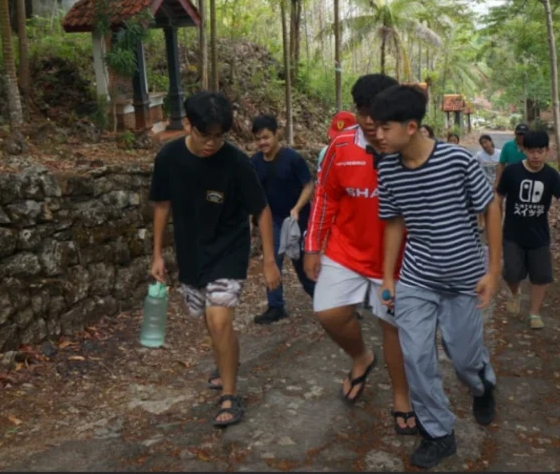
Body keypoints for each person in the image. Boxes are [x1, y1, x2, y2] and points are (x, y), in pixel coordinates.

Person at [373, 85, 501, 469]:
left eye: (385, 127)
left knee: (464, 359)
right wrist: (388, 277)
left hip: (464, 279)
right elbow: (394, 222)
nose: (378, 135)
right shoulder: (387, 169)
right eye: (375, 127)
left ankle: (482, 383)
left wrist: (493, 270)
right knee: (415, 356)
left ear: (411, 127)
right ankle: (438, 433)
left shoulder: (457, 161)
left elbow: (491, 208)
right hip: (417, 278)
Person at [149, 91, 280, 429]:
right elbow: (162, 205)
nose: (212, 143)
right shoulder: (169, 158)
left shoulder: (236, 163)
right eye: (205, 135)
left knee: (220, 320)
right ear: (187, 125)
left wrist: (269, 260)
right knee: (210, 322)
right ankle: (224, 362)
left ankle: (230, 395)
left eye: (219, 136)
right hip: (191, 252)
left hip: (228, 250)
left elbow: (262, 210)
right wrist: (157, 254)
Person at [304, 74, 418, 436]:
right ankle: (361, 357)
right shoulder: (340, 147)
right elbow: (325, 197)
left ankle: (402, 396)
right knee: (329, 312)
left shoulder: (409, 147)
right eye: (362, 111)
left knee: (393, 328)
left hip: (397, 261)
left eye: (376, 113)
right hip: (346, 251)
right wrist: (312, 245)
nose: (369, 121)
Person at [495, 129, 560, 329]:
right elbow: (499, 197)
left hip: (539, 236)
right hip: (512, 234)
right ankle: (515, 292)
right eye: (531, 151)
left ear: (547, 151)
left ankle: (534, 313)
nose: (536, 156)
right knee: (512, 273)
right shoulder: (512, 172)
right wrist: (495, 221)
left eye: (540, 151)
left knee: (541, 276)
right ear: (524, 150)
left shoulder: (551, 175)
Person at [249, 114, 316, 324]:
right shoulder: (255, 162)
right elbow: (253, 193)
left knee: (302, 266)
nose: (262, 143)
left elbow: (308, 185)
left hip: (297, 220)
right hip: (273, 220)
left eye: (266, 137)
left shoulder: (292, 158)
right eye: (258, 139)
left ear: (276, 134)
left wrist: (297, 208)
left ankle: (326, 302)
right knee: (272, 261)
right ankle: (275, 306)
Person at [494, 123, 528, 190]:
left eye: (524, 134)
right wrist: (497, 181)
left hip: (527, 180)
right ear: (515, 134)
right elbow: (501, 164)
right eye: (519, 134)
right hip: (511, 179)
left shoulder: (532, 147)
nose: (521, 136)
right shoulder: (507, 145)